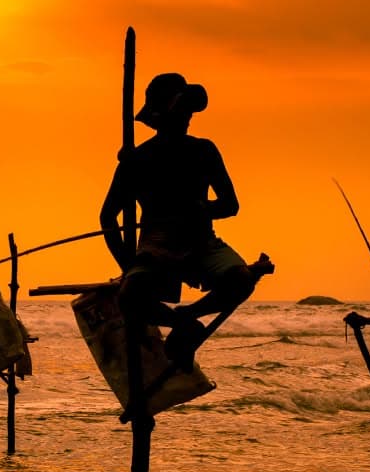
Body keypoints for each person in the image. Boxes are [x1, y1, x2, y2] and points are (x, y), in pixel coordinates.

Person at [99, 72, 256, 369]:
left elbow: (230, 205)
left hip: (202, 242)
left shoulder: (203, 150)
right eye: (180, 111)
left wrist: (203, 209)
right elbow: (108, 215)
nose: (186, 118)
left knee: (241, 280)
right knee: (129, 296)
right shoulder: (138, 159)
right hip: (155, 247)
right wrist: (127, 263)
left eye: (187, 111)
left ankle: (187, 317)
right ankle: (179, 323)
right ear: (160, 118)